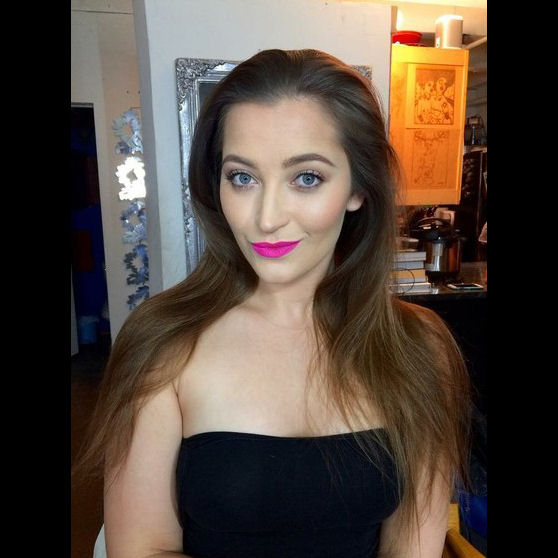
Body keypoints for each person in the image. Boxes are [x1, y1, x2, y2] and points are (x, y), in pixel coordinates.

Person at [74, 48, 472, 558]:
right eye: (242, 177)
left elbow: (412, 548)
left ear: (358, 187)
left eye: (306, 177)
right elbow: (140, 548)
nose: (266, 218)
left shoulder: (419, 347)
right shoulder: (164, 341)